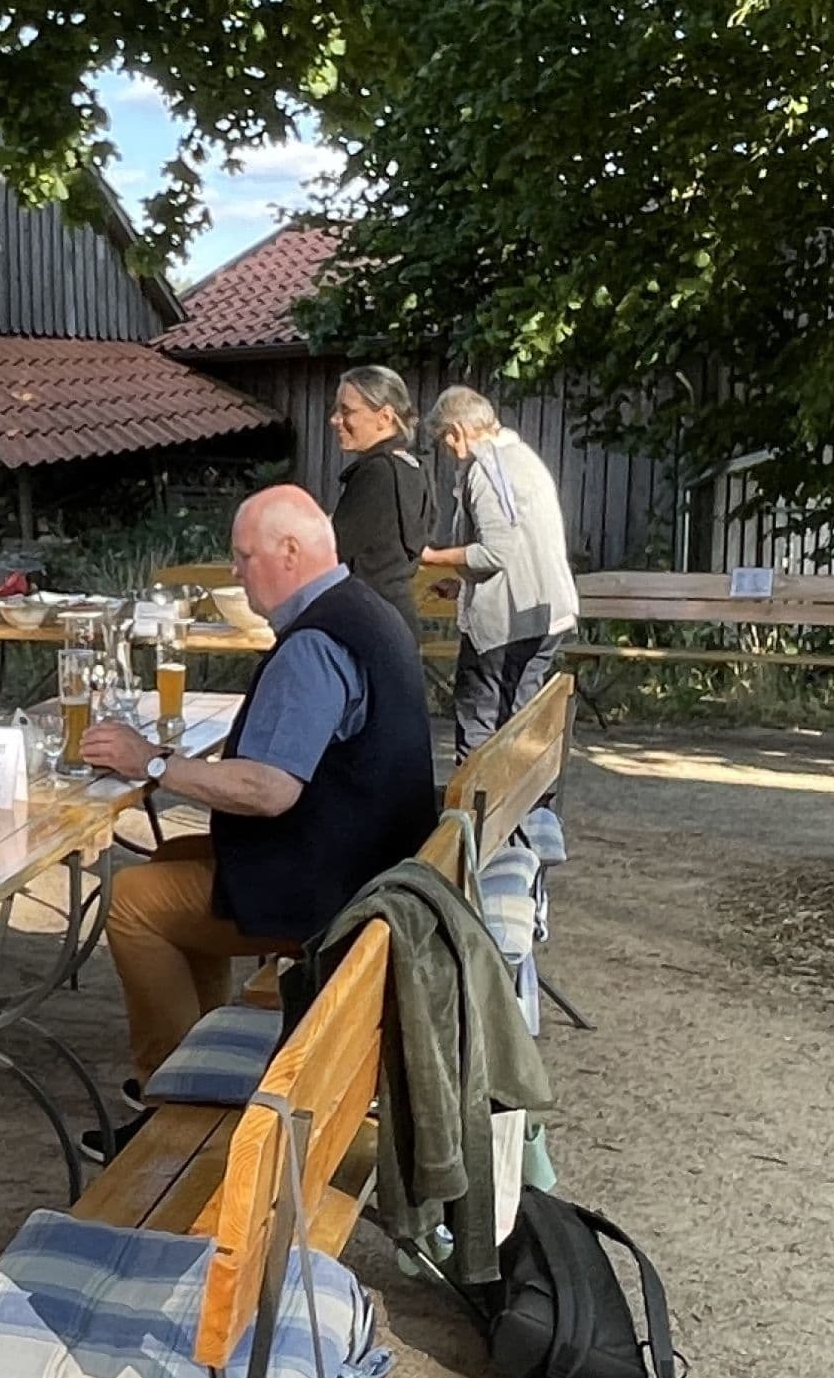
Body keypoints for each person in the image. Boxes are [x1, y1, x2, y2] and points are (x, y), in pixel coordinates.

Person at [77, 485, 438, 1080]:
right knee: (171, 856)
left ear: (289, 551)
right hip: (376, 863)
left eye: (244, 558)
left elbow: (270, 791)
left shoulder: (314, 645)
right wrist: (161, 760)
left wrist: (154, 765)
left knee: (130, 901)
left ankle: (167, 1087)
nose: (237, 574)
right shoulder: (367, 609)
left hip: (338, 895)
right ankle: (202, 1039)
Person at [417, 385, 579, 756]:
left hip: (507, 623)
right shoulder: (524, 458)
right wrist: (462, 584)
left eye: (444, 439)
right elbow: (522, 545)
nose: (447, 450)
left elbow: (496, 552)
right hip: (547, 611)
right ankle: (530, 810)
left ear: (456, 431)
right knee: (521, 723)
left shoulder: (487, 468)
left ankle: (475, 811)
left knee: (481, 721)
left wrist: (430, 556)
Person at [324, 364, 433, 643]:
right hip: (398, 619)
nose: (335, 420)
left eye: (347, 411)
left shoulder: (376, 472)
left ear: (384, 416)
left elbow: (333, 552)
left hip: (366, 624)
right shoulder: (414, 467)